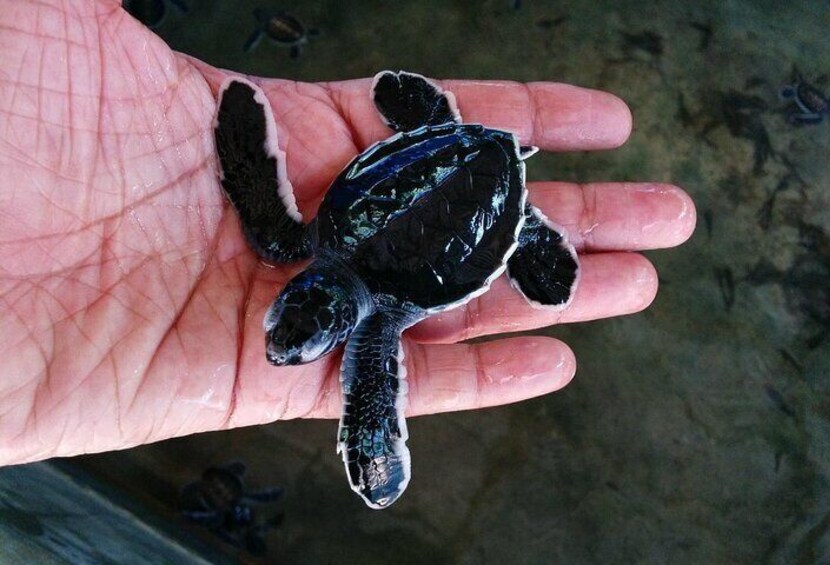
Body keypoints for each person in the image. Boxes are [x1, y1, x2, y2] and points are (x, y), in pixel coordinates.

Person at [0, 0, 695, 466]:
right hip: (438, 167)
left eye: (281, 328)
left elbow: (254, 180)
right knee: (293, 225)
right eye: (294, 337)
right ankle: (474, 174)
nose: (280, 342)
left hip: (462, 169)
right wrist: (236, 117)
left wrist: (239, 123)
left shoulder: (353, 307)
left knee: (280, 229)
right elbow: (255, 177)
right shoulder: (335, 277)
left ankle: (510, 211)